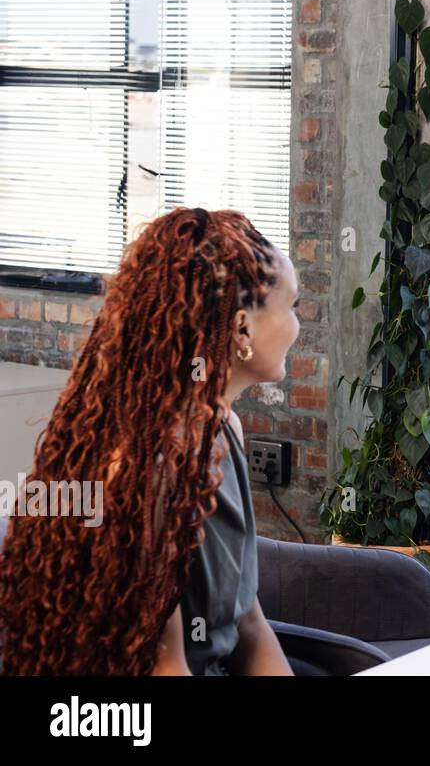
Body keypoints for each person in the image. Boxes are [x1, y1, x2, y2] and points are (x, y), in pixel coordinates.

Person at [0, 207, 299, 674]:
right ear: (242, 328)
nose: (298, 327)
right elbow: (165, 666)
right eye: (293, 307)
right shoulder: (151, 472)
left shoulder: (225, 432)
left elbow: (249, 626)